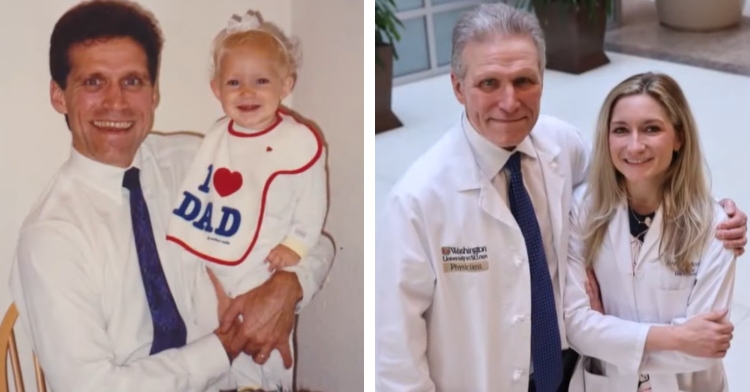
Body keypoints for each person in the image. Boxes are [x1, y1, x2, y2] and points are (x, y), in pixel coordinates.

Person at [373, 3, 747, 392]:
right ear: (457, 87)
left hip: (571, 375)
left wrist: (717, 212)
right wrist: (670, 337)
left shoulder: (562, 146)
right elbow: (394, 348)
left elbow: (635, 178)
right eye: (489, 83)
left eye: (523, 81)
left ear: (542, 81)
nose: (509, 101)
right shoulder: (417, 200)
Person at [8, 1, 334, 391]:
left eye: (132, 81)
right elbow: (91, 386)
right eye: (93, 82)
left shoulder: (199, 161)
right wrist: (222, 348)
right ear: (59, 96)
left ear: (153, 93)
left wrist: (290, 283)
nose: (117, 102)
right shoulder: (50, 238)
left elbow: (315, 241)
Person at [165, 8, 327, 391]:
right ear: (216, 89)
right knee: (217, 339)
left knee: (267, 350)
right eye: (234, 82)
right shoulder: (218, 137)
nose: (247, 93)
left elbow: (312, 199)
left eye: (261, 81)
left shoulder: (296, 142)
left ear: (286, 86)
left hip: (267, 263)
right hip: (219, 266)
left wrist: (297, 244)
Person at [564, 72, 735, 392]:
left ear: (679, 137)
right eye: (620, 130)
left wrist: (607, 338)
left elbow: (704, 351)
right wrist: (678, 337)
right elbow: (575, 327)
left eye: (651, 129)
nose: (634, 145)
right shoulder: (583, 208)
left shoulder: (717, 224)